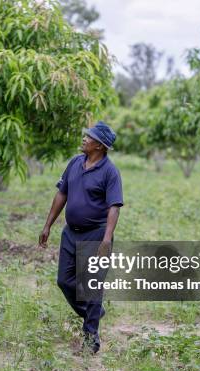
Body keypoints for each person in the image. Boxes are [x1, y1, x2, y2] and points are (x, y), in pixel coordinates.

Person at [39, 121, 124, 353]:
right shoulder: (75, 163)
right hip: (70, 234)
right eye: (86, 135)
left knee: (92, 286)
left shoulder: (110, 172)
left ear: (100, 146)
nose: (84, 139)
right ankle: (92, 311)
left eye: (89, 137)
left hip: (96, 235)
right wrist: (48, 225)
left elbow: (114, 207)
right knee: (64, 281)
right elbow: (61, 194)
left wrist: (107, 239)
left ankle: (91, 339)